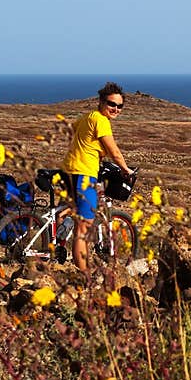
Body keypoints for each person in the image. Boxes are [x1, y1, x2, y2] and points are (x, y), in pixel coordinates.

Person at [61, 81, 133, 272]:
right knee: (83, 230)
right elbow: (114, 151)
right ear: (101, 102)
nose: (115, 109)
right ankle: (86, 277)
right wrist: (126, 170)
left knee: (72, 211)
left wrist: (85, 148)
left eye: (119, 106)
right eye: (111, 104)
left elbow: (72, 130)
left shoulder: (88, 117)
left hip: (69, 169)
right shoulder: (101, 121)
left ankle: (55, 237)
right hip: (85, 173)